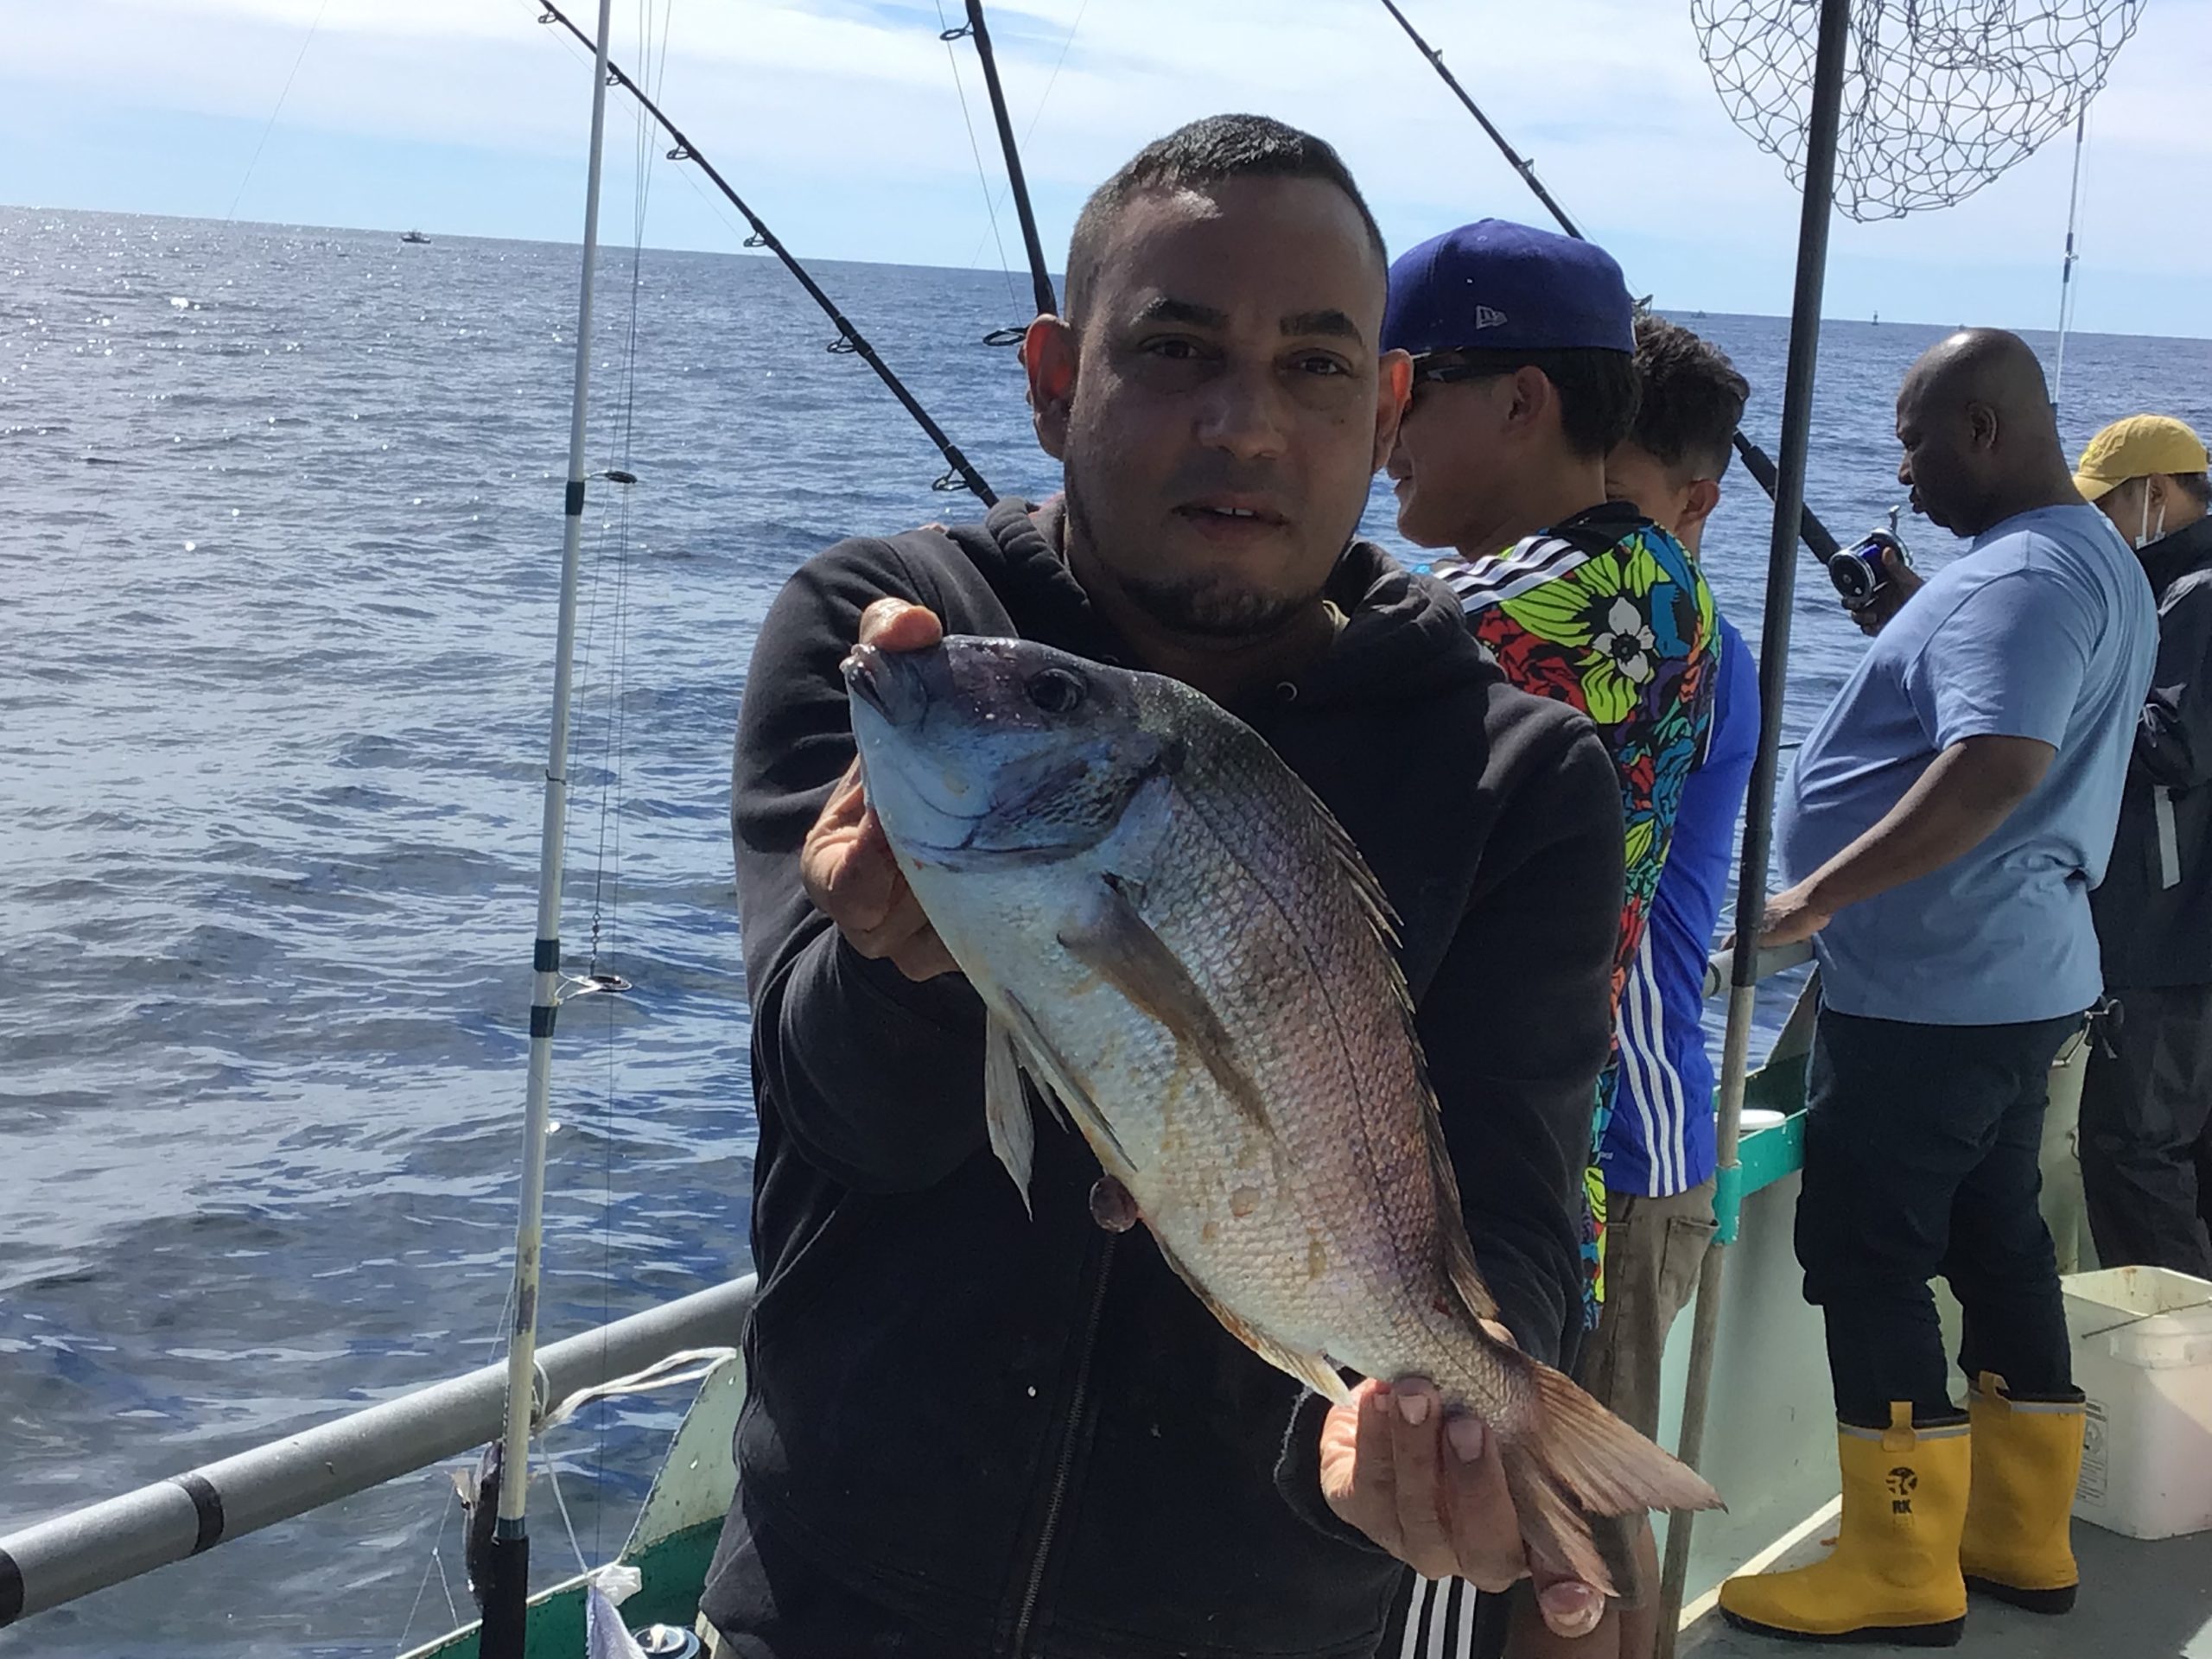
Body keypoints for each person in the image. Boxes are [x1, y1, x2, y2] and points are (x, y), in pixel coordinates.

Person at [709, 116, 1630, 1659]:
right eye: (1179, 349)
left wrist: (1416, 1435)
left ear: (1390, 403)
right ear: (1058, 379)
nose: (1247, 425)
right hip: (832, 1604)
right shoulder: (899, 643)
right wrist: (890, 971)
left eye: (1318, 367)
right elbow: (837, 1124)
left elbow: (1512, 1208)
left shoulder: (1518, 778)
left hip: (1266, 1613)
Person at [1718, 330, 2157, 1644]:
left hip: (1930, 994)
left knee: (1869, 1257)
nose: (1899, 474)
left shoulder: (2023, 579)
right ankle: (2019, 1534)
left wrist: (1811, 900)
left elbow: (1997, 765)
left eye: (1914, 443)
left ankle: (1899, 1560)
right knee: (1999, 1239)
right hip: (2018, 985)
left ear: (1981, 431)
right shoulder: (2093, 560)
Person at [1378, 226, 1720, 1658]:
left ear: (1519, 402)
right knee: (1561, 1555)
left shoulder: (1504, 618)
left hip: (1447, 1175)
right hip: (1551, 1142)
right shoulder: (1661, 579)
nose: (1374, 432)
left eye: (1401, 389)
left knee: (1513, 1568)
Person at [1562, 316, 1758, 1659]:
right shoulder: (1618, 630)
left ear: (1698, 504)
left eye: (1618, 505)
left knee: (1588, 1507)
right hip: (1604, 1144)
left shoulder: (1678, 657)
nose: (1585, 538)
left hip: (1629, 1155)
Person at [2070, 416, 2212, 1274]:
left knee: (2133, 1150)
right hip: (2188, 931)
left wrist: (2064, 686)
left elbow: (2173, 745)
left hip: (2165, 936)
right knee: (2186, 1155)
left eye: (2104, 509)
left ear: (2152, 495)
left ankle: (2180, 1386)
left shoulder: (2192, 592)